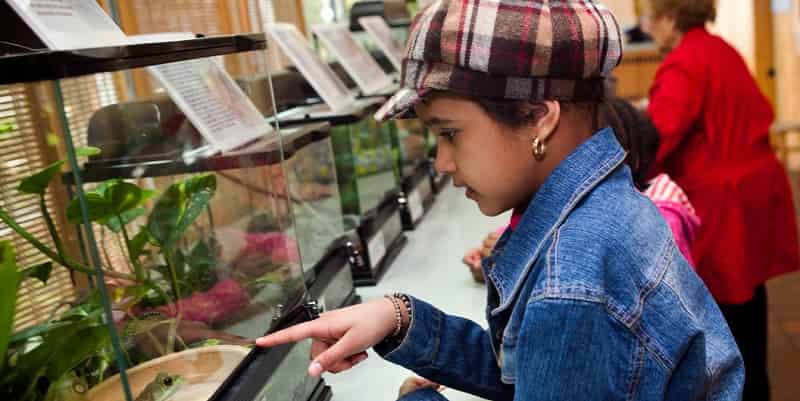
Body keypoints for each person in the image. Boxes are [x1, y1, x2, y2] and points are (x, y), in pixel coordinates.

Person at [256, 1, 744, 400]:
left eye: (450, 134)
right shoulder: (605, 209)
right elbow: (533, 367)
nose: (443, 163)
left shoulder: (571, 283)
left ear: (538, 118)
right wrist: (399, 318)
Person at [641, 1, 800, 400]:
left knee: (724, 316)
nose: (647, 27)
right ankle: (757, 387)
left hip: (721, 203)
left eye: (651, 18)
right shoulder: (718, 49)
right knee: (748, 302)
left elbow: (657, 138)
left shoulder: (683, 63)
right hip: (750, 193)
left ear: (670, 19)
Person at [463, 98, 699, 280]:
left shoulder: (661, 215)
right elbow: (542, 228)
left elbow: (610, 272)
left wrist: (515, 257)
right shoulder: (586, 199)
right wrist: (497, 251)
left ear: (630, 158)